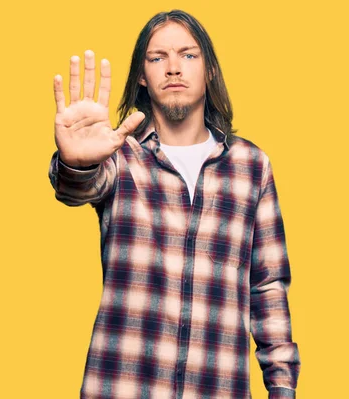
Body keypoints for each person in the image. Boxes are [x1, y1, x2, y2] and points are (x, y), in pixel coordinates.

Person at [48, 9, 300, 399]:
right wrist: (76, 162)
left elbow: (267, 287)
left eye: (188, 55)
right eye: (157, 57)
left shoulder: (252, 167)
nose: (173, 69)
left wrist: (282, 387)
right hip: (120, 387)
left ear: (210, 71)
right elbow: (76, 188)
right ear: (142, 77)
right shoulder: (119, 158)